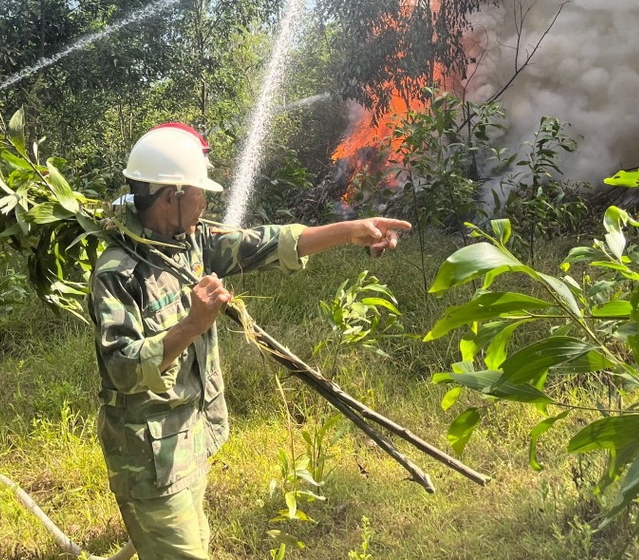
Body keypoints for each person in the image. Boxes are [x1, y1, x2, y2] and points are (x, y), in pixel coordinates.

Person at [89, 124, 410, 560]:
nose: (208, 201)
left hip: (190, 438)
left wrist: (351, 230)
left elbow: (267, 242)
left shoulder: (190, 243)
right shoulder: (118, 271)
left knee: (195, 540)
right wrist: (192, 325)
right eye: (201, 191)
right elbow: (122, 368)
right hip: (150, 459)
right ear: (173, 195)